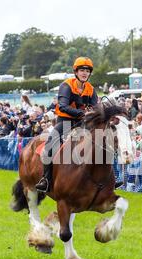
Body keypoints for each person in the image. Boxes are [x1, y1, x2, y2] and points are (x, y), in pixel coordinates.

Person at [35, 57, 98, 192]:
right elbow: (62, 106)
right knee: (50, 145)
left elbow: (95, 108)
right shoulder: (66, 85)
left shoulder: (91, 89)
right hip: (66, 122)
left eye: (87, 70)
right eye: (82, 70)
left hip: (84, 123)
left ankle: (109, 179)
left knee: (103, 141)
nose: (84, 73)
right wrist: (83, 114)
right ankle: (46, 179)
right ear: (76, 72)